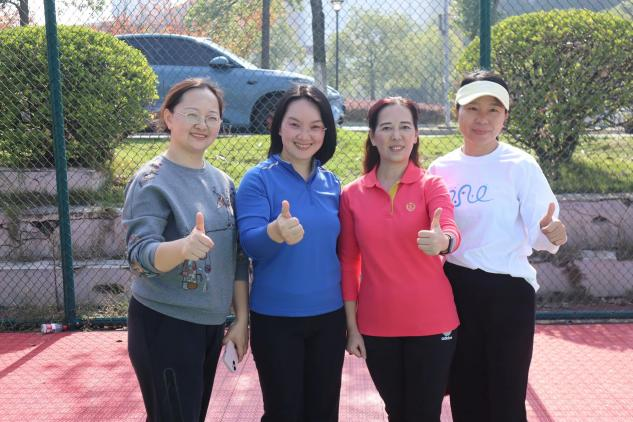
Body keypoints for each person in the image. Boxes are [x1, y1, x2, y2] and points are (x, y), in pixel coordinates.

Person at [427, 70, 568, 422]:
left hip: (509, 292)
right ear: (457, 111)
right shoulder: (440, 168)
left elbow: (543, 228)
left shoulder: (520, 165)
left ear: (505, 117)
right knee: (464, 391)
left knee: (506, 397)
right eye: (473, 108)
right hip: (456, 290)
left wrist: (551, 232)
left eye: (493, 109)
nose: (483, 118)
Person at [122, 78, 249, 422]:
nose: (202, 124)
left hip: (210, 325)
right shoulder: (151, 180)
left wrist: (241, 319)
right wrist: (182, 248)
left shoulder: (223, 182)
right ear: (168, 117)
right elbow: (138, 256)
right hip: (165, 323)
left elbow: (237, 258)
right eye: (192, 114)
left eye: (212, 117)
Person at [339, 96, 461, 422]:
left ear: (416, 135)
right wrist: (352, 327)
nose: (396, 136)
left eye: (405, 127)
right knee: (397, 412)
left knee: (424, 414)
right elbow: (349, 263)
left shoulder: (432, 185)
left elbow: (450, 228)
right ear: (372, 136)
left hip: (433, 323)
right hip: (377, 326)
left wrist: (444, 241)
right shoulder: (351, 195)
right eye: (387, 128)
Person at [235, 85, 345, 422]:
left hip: (329, 318)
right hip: (276, 319)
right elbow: (250, 244)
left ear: (325, 132)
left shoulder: (332, 183)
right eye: (294, 124)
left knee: (323, 413)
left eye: (315, 127)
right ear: (278, 126)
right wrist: (275, 232)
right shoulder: (258, 180)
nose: (304, 135)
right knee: (284, 412)